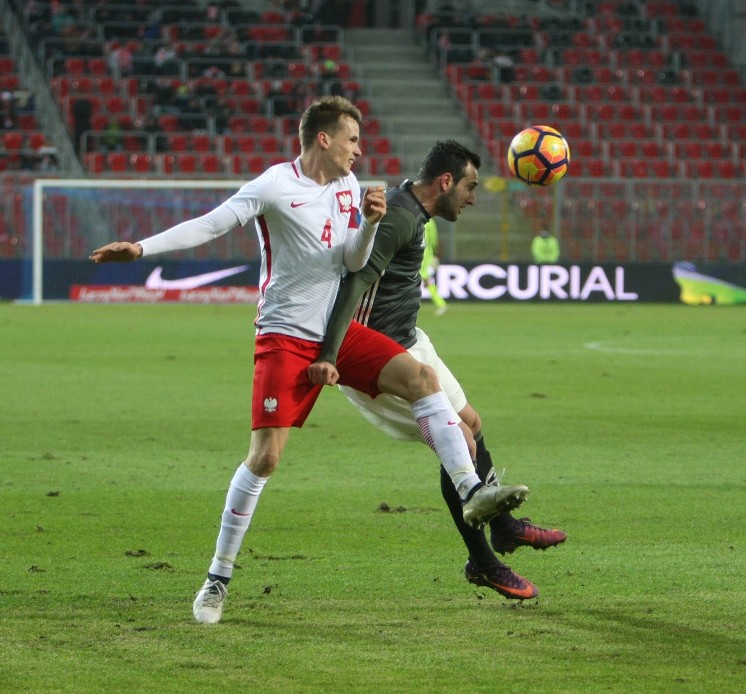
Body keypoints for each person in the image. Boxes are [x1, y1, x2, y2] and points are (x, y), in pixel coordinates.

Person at [89, 96, 529, 624]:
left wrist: (368, 223)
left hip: (337, 334)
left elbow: (351, 261)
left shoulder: (349, 188)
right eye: (351, 140)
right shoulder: (274, 185)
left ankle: (472, 491)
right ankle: (217, 577)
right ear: (324, 138)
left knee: (421, 376)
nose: (358, 151)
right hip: (284, 335)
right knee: (266, 457)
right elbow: (212, 224)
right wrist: (141, 248)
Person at [311, 141, 566, 601]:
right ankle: (484, 562)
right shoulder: (398, 216)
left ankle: (504, 529)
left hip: (411, 339)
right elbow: (356, 281)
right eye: (469, 186)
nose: (472, 197)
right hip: (380, 357)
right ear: (445, 181)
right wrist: (330, 354)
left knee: (473, 423)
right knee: (461, 444)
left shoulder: (413, 211)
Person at [420, 218, 448, 316]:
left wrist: (434, 254)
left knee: (423, 276)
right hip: (416, 250)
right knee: (423, 277)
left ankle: (441, 303)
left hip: (425, 252)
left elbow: (433, 238)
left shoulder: (429, 220)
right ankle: (440, 303)